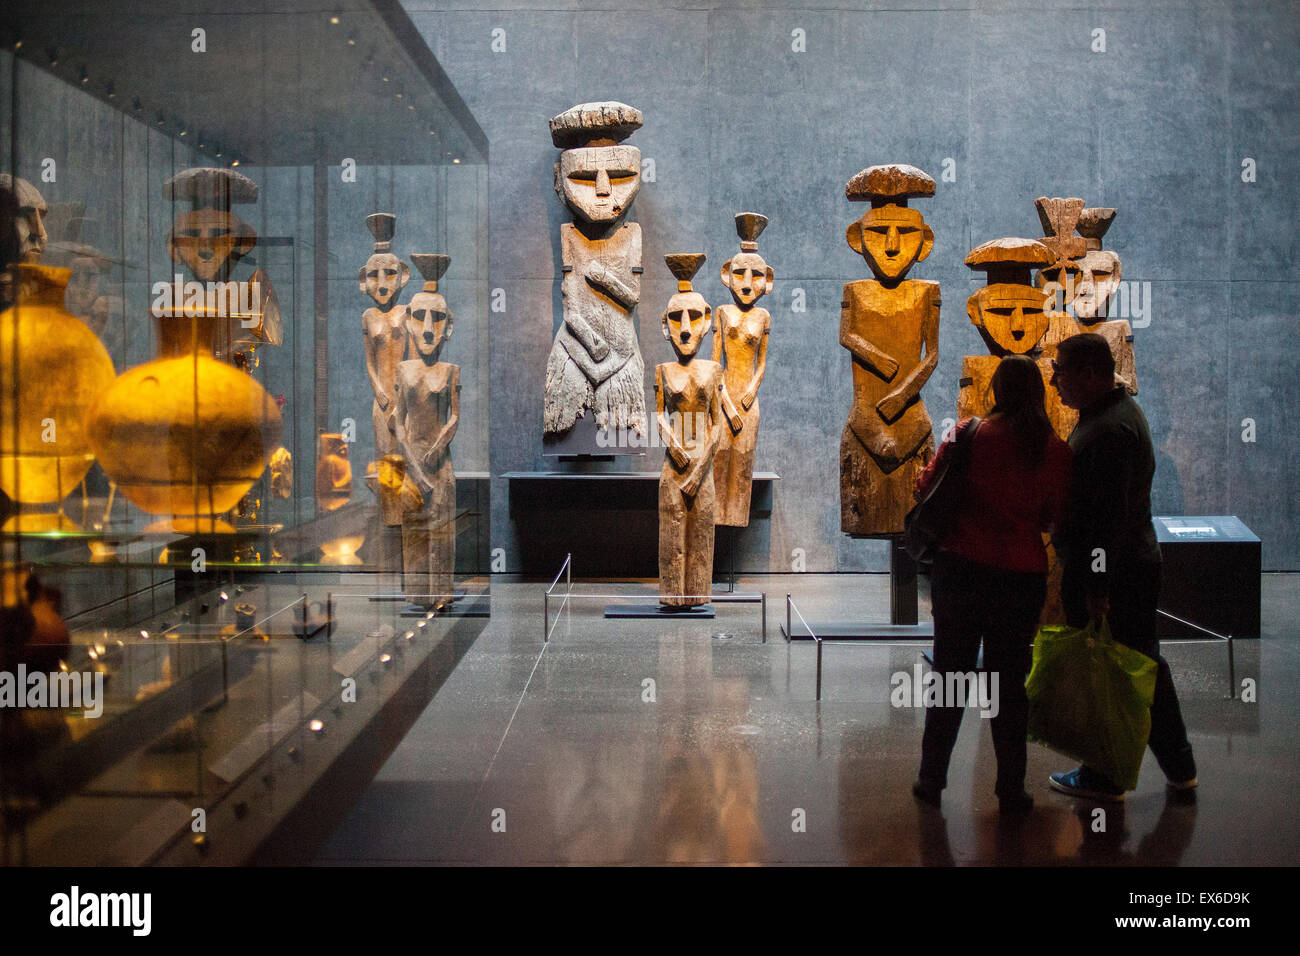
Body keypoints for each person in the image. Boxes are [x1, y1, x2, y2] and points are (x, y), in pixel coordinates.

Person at [912, 354, 1072, 814]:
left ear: (996, 390)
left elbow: (927, 486)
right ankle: (1010, 787)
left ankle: (931, 778)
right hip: (1021, 575)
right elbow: (1051, 516)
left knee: (951, 674)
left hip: (960, 568)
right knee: (1009, 683)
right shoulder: (1052, 449)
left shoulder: (967, 433)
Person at [1047, 332, 1197, 801]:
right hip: (1128, 565)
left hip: (1118, 571)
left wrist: (1096, 584)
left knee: (1115, 672)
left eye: (1062, 370)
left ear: (1091, 374)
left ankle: (1105, 776)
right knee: (1138, 664)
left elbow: (1105, 521)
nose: (1053, 381)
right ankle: (1178, 766)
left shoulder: (1110, 429)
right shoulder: (1111, 415)